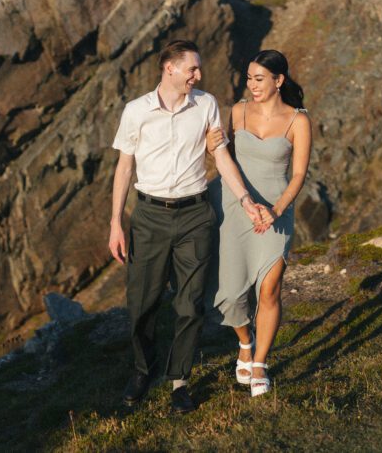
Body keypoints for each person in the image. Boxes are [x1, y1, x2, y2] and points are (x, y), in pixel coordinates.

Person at [108, 40, 273, 415]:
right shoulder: (137, 111)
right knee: (141, 304)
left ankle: (179, 381)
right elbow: (123, 168)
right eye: (192, 69)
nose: (198, 76)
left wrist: (246, 200)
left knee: (189, 303)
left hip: (195, 215)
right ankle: (142, 369)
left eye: (198, 70)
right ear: (170, 69)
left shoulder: (207, 105)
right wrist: (116, 223)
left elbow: (221, 157)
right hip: (148, 216)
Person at [206, 49, 311, 397]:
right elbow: (226, 159)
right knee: (232, 293)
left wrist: (277, 209)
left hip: (276, 211)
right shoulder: (237, 111)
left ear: (279, 81)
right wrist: (211, 147)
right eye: (249, 78)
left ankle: (261, 363)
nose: (252, 85)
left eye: (259, 79)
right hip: (235, 209)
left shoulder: (299, 121)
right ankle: (245, 341)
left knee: (269, 290)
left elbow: (298, 174)